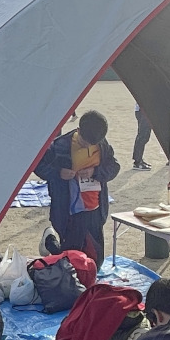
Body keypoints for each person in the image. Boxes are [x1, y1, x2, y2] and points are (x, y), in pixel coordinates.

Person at [34, 110, 120, 266]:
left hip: (95, 209)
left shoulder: (101, 144)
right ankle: (50, 241)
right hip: (70, 211)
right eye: (85, 142)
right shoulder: (59, 146)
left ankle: (49, 241)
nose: (89, 146)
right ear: (78, 131)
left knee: (96, 260)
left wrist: (95, 172)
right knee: (70, 260)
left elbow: (114, 167)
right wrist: (58, 173)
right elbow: (38, 166)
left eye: (92, 144)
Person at [132, 104, 153, 170]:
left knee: (144, 136)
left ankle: (138, 159)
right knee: (143, 136)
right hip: (143, 111)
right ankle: (138, 162)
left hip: (144, 110)